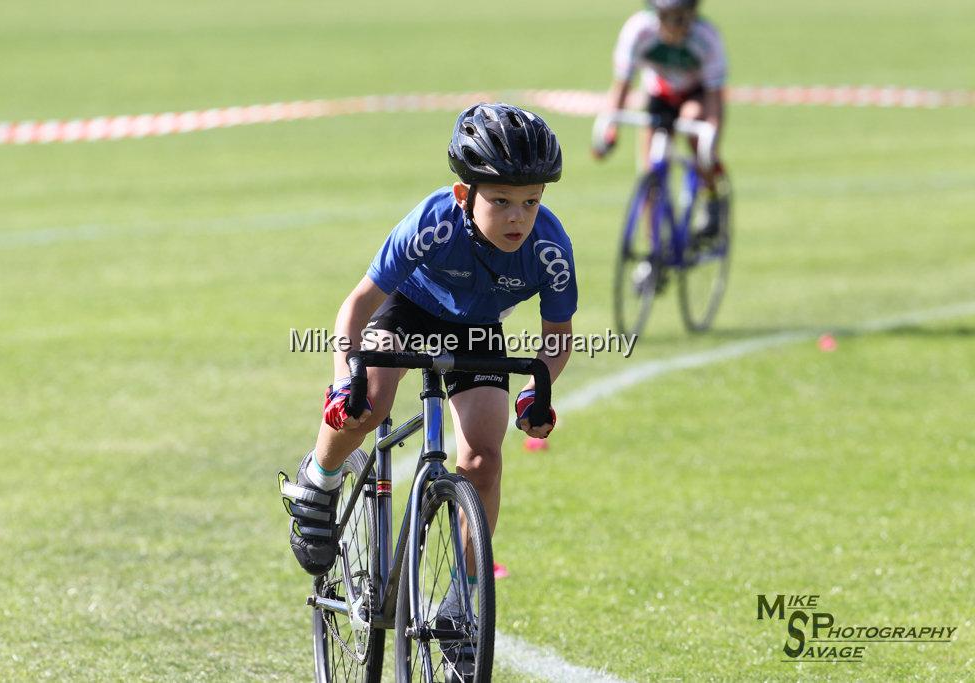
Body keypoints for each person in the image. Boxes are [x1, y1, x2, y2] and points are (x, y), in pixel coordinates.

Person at [281, 103, 577, 676]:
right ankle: (318, 482)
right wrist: (346, 379)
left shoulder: (550, 247)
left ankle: (461, 600)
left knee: (483, 457)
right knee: (370, 403)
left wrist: (536, 394)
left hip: (477, 328)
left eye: (531, 201)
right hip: (408, 309)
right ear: (465, 196)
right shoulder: (433, 223)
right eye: (501, 202)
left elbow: (557, 340)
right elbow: (356, 308)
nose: (519, 217)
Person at [594, 0, 728, 236]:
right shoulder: (638, 30)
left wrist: (710, 143)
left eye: (684, 18)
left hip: (694, 94)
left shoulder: (706, 38)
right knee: (649, 175)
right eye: (670, 17)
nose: (677, 26)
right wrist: (609, 128)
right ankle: (653, 253)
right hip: (659, 95)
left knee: (694, 119)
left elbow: (715, 100)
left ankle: (710, 196)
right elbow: (621, 86)